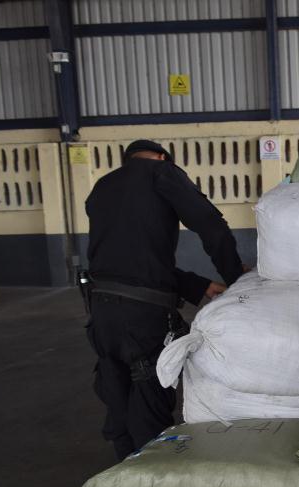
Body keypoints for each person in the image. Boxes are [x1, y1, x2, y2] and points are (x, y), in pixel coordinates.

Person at [83, 139, 245, 459]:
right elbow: (210, 225)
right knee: (149, 396)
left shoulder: (102, 186)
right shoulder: (161, 172)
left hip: (100, 311)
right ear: (161, 157)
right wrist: (236, 279)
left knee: (116, 391)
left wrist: (198, 285)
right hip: (142, 316)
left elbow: (129, 258)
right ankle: (152, 472)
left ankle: (124, 469)